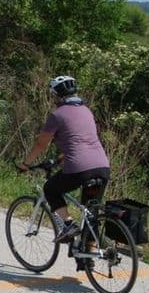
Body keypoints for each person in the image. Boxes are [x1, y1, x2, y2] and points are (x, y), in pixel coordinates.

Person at [19, 75, 110, 244]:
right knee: (91, 213)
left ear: (56, 95)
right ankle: (88, 259)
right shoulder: (86, 111)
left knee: (51, 189)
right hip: (102, 166)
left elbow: (41, 144)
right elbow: (82, 142)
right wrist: (59, 160)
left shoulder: (57, 115)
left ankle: (68, 225)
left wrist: (26, 164)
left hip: (79, 169)